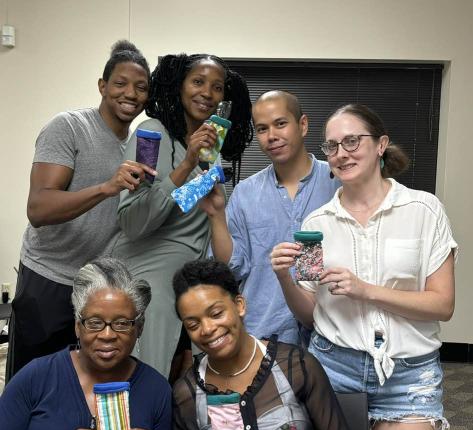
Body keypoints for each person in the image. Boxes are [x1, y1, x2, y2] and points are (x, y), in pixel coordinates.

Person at [271, 104, 457, 430]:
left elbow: (442, 304)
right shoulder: (317, 223)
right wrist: (285, 279)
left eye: (352, 141)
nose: (341, 153)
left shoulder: (424, 210)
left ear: (381, 145)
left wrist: (364, 290)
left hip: (408, 372)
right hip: (333, 366)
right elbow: (310, 314)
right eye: (332, 146)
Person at [6, 40, 155, 381]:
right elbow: (39, 208)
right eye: (120, 83)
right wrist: (107, 187)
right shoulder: (70, 127)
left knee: (84, 387)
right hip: (49, 278)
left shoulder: (139, 147)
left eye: (140, 87)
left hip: (98, 290)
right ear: (103, 86)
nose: (130, 93)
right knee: (32, 382)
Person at [111, 54, 253, 380]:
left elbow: (188, 208)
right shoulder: (152, 136)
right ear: (180, 86)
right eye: (198, 82)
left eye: (217, 87)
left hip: (192, 289)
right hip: (150, 286)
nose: (207, 92)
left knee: (194, 397)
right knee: (147, 386)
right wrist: (186, 164)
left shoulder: (211, 148)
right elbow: (133, 222)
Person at [171, 259, 354, 430]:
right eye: (193, 325)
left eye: (217, 313)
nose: (207, 329)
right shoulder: (187, 393)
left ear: (239, 305)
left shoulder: (295, 366)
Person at [0, 257, 174, 430]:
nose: (107, 335)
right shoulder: (37, 376)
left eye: (122, 323)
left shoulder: (156, 389)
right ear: (77, 326)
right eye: (94, 322)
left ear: (138, 328)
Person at [200, 90, 339, 346]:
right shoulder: (246, 192)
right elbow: (232, 267)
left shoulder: (338, 182)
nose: (272, 136)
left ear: (303, 125)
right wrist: (216, 214)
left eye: (281, 124)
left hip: (333, 333)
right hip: (265, 332)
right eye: (262, 129)